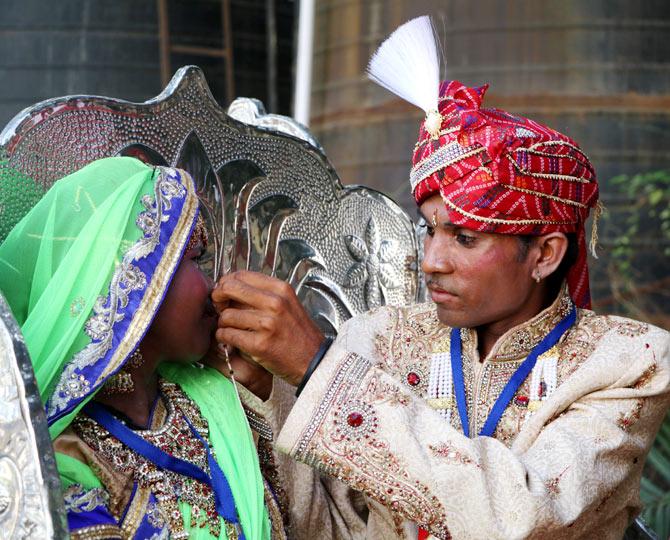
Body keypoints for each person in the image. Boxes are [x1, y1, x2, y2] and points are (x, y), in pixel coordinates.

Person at [211, 17, 670, 539]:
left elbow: (522, 519)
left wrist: (317, 370)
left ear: (544, 253)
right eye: (430, 230)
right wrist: (267, 396)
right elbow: (324, 525)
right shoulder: (381, 338)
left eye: (465, 238)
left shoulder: (628, 363)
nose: (431, 259)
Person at [0, 157, 287, 539]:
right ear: (136, 285)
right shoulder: (63, 465)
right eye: (194, 259)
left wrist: (275, 387)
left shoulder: (217, 399)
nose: (214, 285)